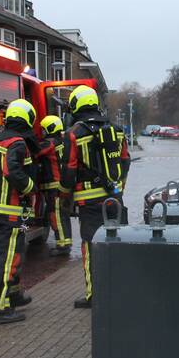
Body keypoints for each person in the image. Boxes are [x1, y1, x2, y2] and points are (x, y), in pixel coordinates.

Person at [60, 85, 131, 309]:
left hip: (89, 204)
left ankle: (94, 295)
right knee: (117, 244)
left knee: (91, 248)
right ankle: (119, 290)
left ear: (76, 106)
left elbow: (69, 171)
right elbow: (125, 161)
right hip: (114, 200)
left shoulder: (74, 134)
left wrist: (64, 197)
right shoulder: (117, 130)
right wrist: (118, 189)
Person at [0, 98, 38, 325]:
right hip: (12, 213)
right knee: (7, 259)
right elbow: (13, 171)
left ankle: (13, 295)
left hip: (0, 213)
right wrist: (31, 188)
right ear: (27, 118)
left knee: (16, 253)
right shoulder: (18, 143)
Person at [37, 115, 72, 256]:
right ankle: (65, 242)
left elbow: (36, 152)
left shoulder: (50, 143)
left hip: (54, 187)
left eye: (44, 130)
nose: (43, 133)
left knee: (56, 215)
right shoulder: (62, 141)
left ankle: (63, 246)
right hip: (61, 185)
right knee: (62, 215)